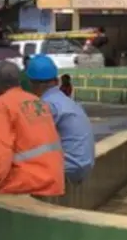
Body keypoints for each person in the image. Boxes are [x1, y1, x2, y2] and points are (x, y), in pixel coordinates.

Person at [0, 61, 64, 196]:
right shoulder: (37, 101)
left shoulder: (1, 104)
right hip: (55, 179)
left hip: (28, 180)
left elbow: (1, 154)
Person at [26, 55, 95, 183]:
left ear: (32, 83)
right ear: (57, 81)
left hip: (69, 169)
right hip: (84, 165)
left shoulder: (46, 105)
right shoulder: (67, 101)